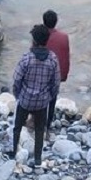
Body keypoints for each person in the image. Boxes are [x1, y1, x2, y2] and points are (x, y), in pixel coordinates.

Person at [10, 24, 60, 167]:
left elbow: (17, 79)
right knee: (39, 129)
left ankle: (14, 152)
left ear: (34, 41)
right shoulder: (52, 59)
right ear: (46, 40)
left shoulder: (26, 58)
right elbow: (55, 83)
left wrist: (17, 95)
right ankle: (38, 158)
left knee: (17, 126)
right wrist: (49, 97)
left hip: (25, 100)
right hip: (42, 102)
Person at [43, 9, 70, 131]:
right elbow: (65, 57)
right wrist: (64, 75)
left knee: (40, 96)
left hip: (42, 73)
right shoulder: (64, 37)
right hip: (56, 74)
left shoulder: (40, 36)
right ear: (56, 22)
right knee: (52, 99)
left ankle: (38, 120)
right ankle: (48, 123)